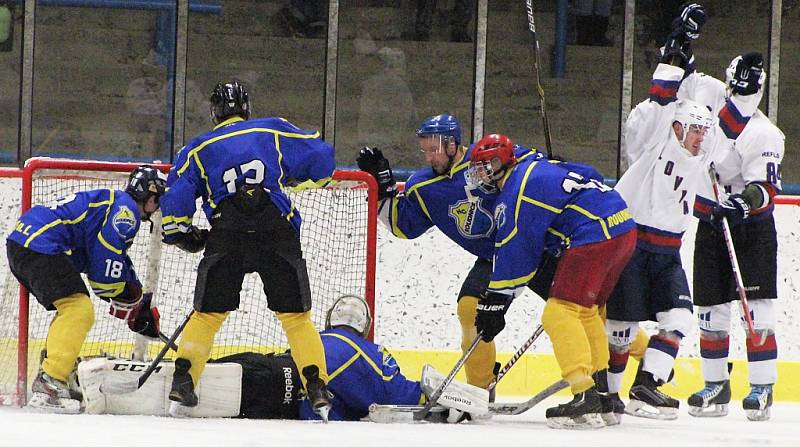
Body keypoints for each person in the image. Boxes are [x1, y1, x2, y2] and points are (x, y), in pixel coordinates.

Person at [356, 114, 650, 424]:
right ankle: (481, 389)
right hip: (499, 254)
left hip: (538, 242)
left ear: (453, 144)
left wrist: (556, 165)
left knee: (583, 309)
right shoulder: (423, 185)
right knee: (471, 308)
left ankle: (637, 363)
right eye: (425, 150)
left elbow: (535, 168)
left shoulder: (488, 157)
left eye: (435, 148)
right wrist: (384, 189)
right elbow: (402, 226)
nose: (430, 156)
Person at [606, 17, 764, 420]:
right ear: (676, 125)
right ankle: (606, 396)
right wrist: (678, 44)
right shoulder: (653, 134)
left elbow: (729, 129)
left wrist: (745, 93)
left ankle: (646, 387)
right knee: (620, 329)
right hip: (631, 243)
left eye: (702, 130)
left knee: (678, 320)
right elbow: (661, 94)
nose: (700, 136)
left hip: (668, 251)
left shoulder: (702, 152)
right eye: (694, 128)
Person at [159, 80, 334, 420]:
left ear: (214, 113)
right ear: (246, 107)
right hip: (276, 228)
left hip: (228, 230)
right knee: (296, 319)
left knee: (207, 316)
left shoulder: (196, 149)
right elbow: (321, 162)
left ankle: (183, 380)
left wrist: (181, 232)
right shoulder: (271, 129)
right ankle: (315, 386)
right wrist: (296, 179)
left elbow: (176, 197)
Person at [78, 295, 488, 422]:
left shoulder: (317, 338)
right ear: (364, 327)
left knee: (185, 377)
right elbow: (397, 392)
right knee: (186, 393)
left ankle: (98, 370)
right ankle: (101, 378)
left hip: (267, 365)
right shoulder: (366, 351)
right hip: (273, 389)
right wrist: (449, 404)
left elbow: (344, 407)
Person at [467, 133, 638, 429]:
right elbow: (592, 175)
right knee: (585, 311)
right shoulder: (535, 162)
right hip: (622, 226)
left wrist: (496, 300)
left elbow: (516, 247)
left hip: (594, 233)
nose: (477, 175)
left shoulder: (515, 189)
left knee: (558, 313)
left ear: (498, 164)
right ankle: (604, 396)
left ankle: (584, 395)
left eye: (482, 167)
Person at [6, 165, 166, 413]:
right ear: (151, 197)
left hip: (26, 241)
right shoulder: (126, 212)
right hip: (39, 244)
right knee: (79, 310)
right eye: (158, 200)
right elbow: (104, 280)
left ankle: (57, 367)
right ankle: (50, 380)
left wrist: (136, 299)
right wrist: (127, 298)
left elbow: (113, 258)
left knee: (70, 307)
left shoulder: (116, 202)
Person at [680, 56, 784, 421]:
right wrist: (682, 52)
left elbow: (766, 190)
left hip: (750, 230)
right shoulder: (711, 114)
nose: (742, 94)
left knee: (756, 313)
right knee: (710, 312)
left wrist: (740, 203)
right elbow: (685, 82)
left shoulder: (764, 133)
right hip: (710, 224)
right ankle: (716, 385)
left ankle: (761, 387)